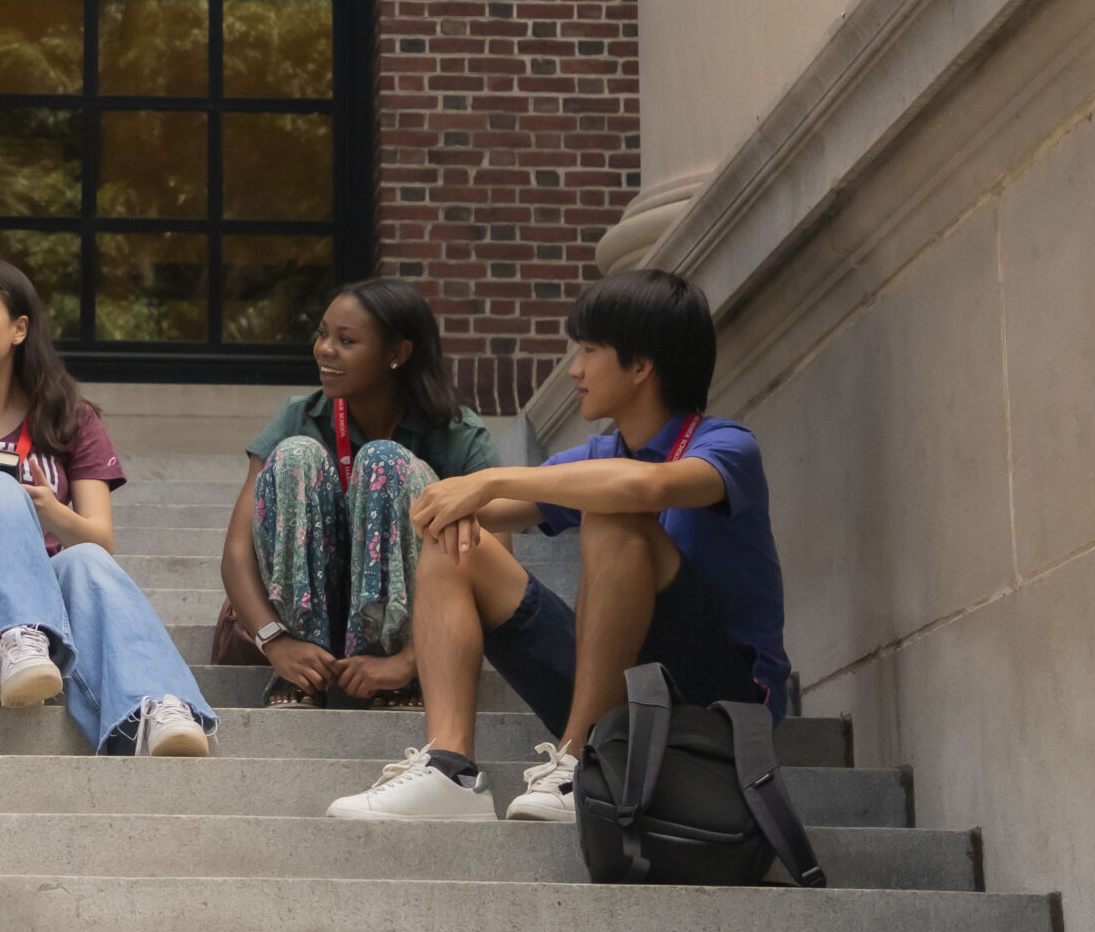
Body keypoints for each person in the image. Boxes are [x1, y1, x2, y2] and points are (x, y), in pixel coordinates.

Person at [324, 268, 789, 823]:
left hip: (717, 704)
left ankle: (578, 763)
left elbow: (648, 486)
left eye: (590, 349)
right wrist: (447, 506)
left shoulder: (728, 445)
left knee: (616, 520)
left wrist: (494, 480)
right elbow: (481, 511)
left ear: (641, 365)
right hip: (621, 686)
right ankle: (450, 771)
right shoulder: (600, 453)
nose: (575, 368)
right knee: (457, 541)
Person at [0, 258, 217, 757]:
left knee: (87, 561)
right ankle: (15, 636)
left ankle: (155, 707)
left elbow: (101, 542)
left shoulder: (72, 418)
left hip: (42, 604)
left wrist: (50, 510)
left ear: (19, 328)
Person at [221, 279, 500, 708]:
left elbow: (497, 564)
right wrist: (275, 642)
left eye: (346, 340)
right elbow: (237, 553)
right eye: (322, 333)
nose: (324, 349)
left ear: (397, 354)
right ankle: (302, 678)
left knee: (384, 461)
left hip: (416, 632)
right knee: (294, 454)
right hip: (308, 624)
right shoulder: (300, 417)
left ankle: (398, 676)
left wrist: (411, 659)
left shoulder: (456, 432)